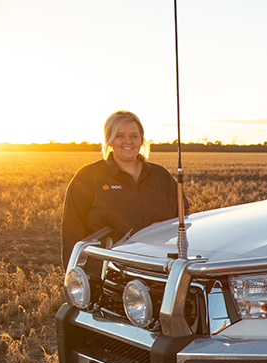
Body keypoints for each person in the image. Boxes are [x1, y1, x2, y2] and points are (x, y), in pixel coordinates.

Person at [61, 110, 186, 269]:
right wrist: (74, 277)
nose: (128, 141)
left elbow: (183, 219)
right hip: (107, 272)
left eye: (134, 136)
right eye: (119, 136)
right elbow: (72, 233)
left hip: (158, 268)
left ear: (142, 140)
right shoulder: (87, 177)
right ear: (109, 140)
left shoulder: (161, 175)